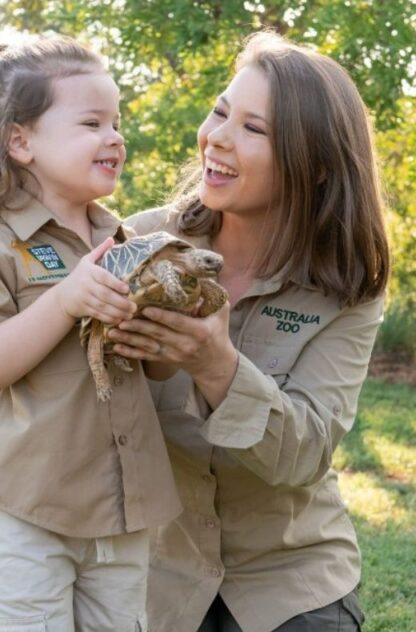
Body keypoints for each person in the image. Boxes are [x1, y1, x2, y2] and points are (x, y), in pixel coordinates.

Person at [108, 32, 390, 631]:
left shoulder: (349, 287)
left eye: (254, 130)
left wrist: (216, 365)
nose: (216, 138)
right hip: (156, 580)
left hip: (289, 583)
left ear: (315, 166)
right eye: (220, 112)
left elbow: (308, 451)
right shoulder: (137, 244)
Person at [0, 37, 181, 631]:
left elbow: (150, 369)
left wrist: (167, 337)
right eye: (91, 123)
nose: (115, 137)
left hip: (119, 509)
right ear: (21, 141)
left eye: (117, 122)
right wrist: (65, 300)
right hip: (24, 512)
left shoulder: (127, 243)